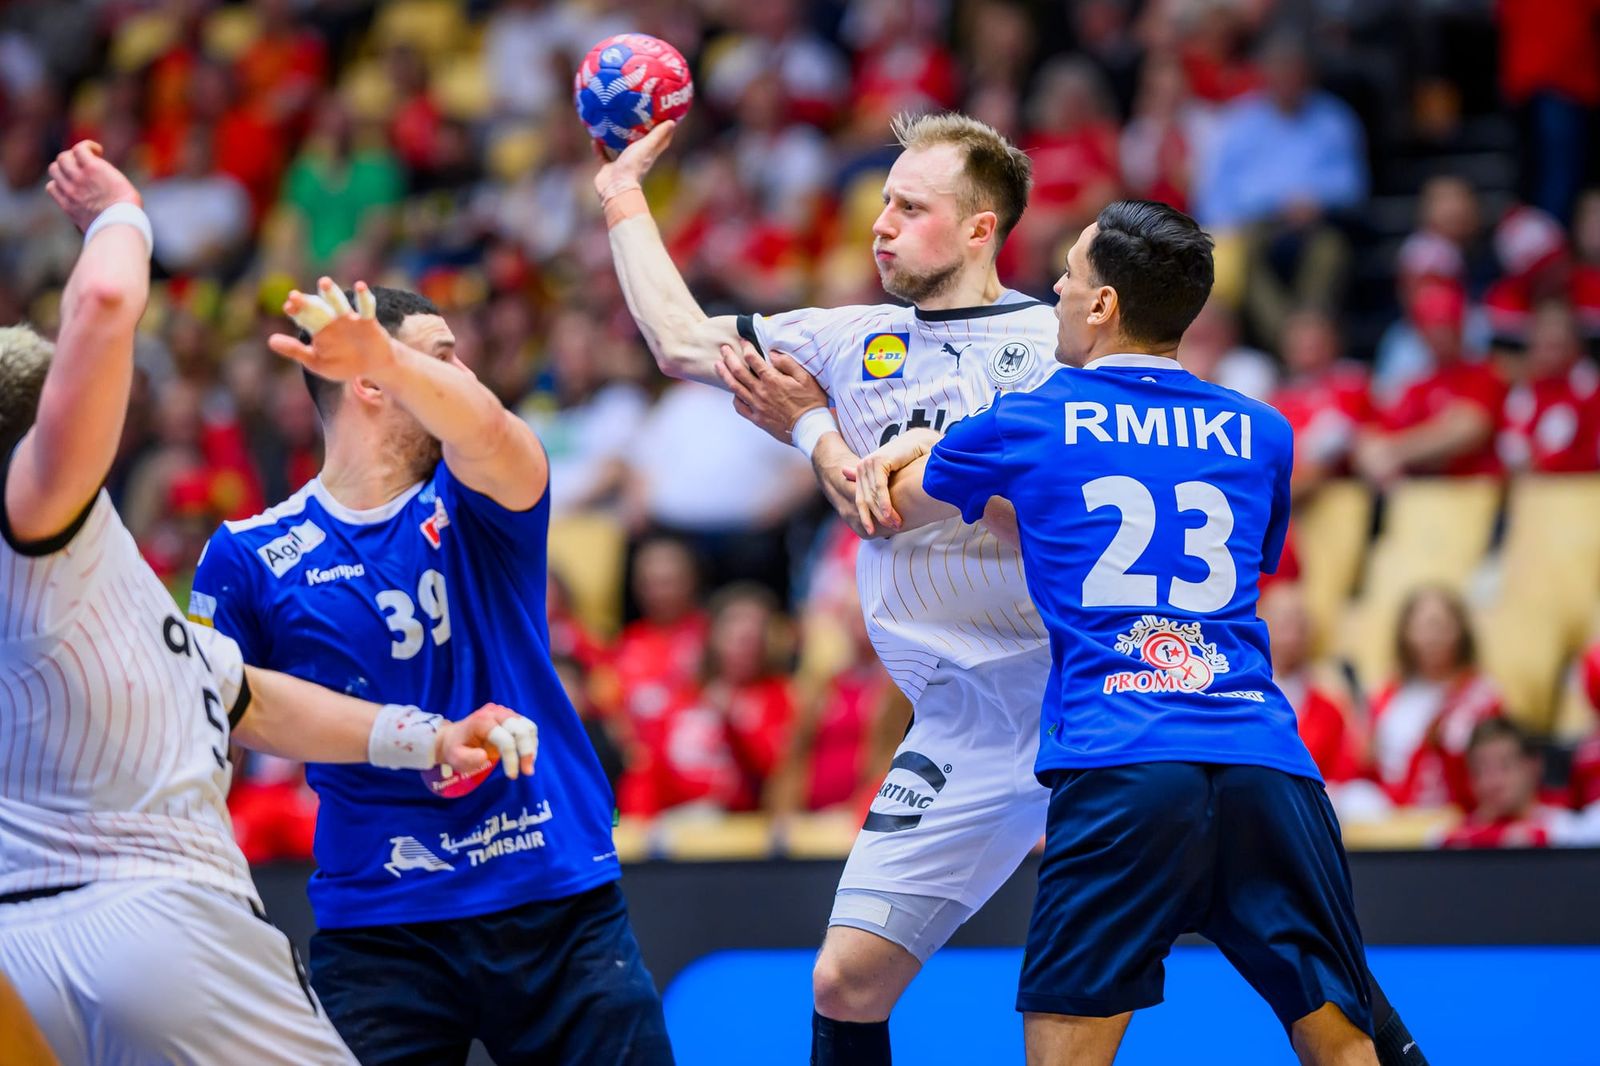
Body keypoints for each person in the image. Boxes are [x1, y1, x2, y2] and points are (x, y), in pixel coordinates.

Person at [1, 143, 536, 1065]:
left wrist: (429, 738)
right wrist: (120, 213)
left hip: (20, 957)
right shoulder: (39, 519)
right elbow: (103, 303)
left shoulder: (94, 590)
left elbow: (243, 692)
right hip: (154, 915)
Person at [855, 200, 1383, 1065]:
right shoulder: (1264, 431)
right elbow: (1249, 558)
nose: (1056, 289)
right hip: (1264, 763)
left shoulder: (1029, 419)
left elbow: (894, 506)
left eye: (1068, 274)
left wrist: (886, 444)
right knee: (1344, 1046)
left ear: (1102, 306)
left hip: (1121, 758)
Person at [597, 110, 1060, 1063]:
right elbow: (681, 342)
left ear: (982, 229)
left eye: (910, 208)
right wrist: (621, 197)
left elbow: (895, 500)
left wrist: (815, 434)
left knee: (1263, 957)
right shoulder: (852, 339)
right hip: (959, 721)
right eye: (882, 203)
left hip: (1078, 697)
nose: (880, 224)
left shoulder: (1059, 347)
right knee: (845, 983)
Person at [188, 279, 672, 1064]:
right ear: (369, 384)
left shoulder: (481, 491)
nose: (467, 377)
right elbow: (231, 700)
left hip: (552, 896)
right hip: (379, 925)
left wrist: (394, 357)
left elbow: (486, 428)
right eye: (443, 359)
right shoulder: (247, 555)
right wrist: (422, 738)